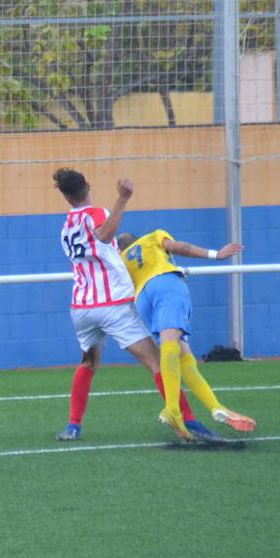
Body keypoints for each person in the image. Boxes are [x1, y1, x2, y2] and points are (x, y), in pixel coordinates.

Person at [52, 169, 215, 442]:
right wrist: (122, 199)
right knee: (157, 363)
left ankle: (73, 426)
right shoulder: (97, 213)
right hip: (112, 304)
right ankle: (189, 422)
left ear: (66, 197)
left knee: (88, 363)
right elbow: (104, 236)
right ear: (87, 187)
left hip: (81, 307)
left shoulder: (66, 227)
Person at [117, 230, 257, 436]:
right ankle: (173, 409)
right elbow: (180, 247)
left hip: (142, 299)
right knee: (170, 347)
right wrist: (215, 254)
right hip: (165, 283)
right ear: (137, 240)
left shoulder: (120, 260)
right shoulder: (152, 237)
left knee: (183, 355)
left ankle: (215, 406)